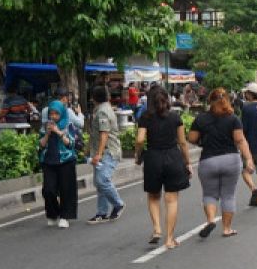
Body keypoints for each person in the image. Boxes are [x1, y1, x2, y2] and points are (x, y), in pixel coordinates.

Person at [189, 87, 255, 238]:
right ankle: (226, 229)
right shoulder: (233, 118)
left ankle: (211, 220)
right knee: (228, 195)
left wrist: (202, 140)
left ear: (210, 101)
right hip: (230, 160)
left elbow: (191, 138)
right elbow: (240, 140)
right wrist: (249, 159)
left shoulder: (201, 118)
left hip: (208, 161)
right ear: (228, 100)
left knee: (209, 194)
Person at [134, 86, 192, 247]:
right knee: (172, 200)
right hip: (173, 157)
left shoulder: (145, 118)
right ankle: (169, 239)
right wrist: (187, 163)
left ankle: (157, 229)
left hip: (153, 158)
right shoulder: (175, 117)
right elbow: (182, 143)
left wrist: (138, 154)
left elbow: (139, 140)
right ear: (166, 99)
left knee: (153, 196)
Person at [86, 85, 125, 224]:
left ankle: (118, 203)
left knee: (102, 180)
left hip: (108, 151)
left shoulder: (102, 111)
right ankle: (101, 212)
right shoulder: (103, 109)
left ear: (94, 98)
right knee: (99, 182)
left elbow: (104, 134)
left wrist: (99, 154)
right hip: (104, 150)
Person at [37, 99, 78, 228]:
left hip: (65, 160)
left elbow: (71, 143)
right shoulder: (45, 126)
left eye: (56, 114)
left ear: (61, 114)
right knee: (48, 190)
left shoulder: (68, 125)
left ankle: (65, 216)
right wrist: (48, 134)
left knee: (66, 190)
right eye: (51, 113)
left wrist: (59, 132)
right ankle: (53, 214)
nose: (53, 116)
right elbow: (41, 145)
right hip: (49, 161)